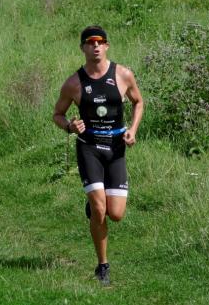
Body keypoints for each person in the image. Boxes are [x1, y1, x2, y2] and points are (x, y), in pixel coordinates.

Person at [53, 26, 144, 286]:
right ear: (82, 47)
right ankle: (102, 265)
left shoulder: (123, 74)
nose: (95, 46)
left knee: (116, 214)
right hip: (89, 147)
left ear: (106, 46)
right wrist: (70, 126)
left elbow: (138, 102)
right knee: (100, 209)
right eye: (90, 42)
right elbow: (57, 115)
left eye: (100, 42)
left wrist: (133, 130)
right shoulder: (74, 83)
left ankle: (95, 207)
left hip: (116, 148)